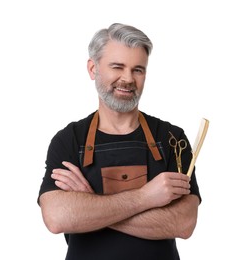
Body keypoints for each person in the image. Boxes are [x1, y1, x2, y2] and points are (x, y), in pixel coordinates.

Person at [38, 23, 201, 260]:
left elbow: (184, 223)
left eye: (138, 70)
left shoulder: (171, 138)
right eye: (117, 66)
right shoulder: (69, 140)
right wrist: (146, 198)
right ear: (93, 69)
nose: (127, 79)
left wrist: (90, 204)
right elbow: (56, 218)